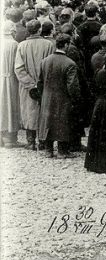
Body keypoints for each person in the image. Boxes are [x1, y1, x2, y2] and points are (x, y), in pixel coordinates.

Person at [14, 18, 55, 151]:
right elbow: (50, 66)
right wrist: (40, 83)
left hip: (27, 86)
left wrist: (30, 84)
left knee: (28, 111)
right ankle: (42, 141)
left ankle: (30, 141)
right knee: (44, 111)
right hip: (44, 84)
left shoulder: (21, 46)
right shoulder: (48, 45)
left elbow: (19, 69)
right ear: (39, 29)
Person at [37, 36, 82, 158]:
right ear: (66, 45)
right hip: (63, 97)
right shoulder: (70, 63)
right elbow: (72, 86)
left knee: (48, 121)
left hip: (47, 96)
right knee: (62, 122)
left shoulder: (44, 61)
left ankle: (48, 150)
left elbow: (39, 81)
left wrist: (43, 95)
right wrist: (76, 99)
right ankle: (63, 151)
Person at [1, 21, 21, 148]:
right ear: (12, 31)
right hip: (11, 78)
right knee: (11, 106)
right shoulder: (14, 44)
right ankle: (10, 137)